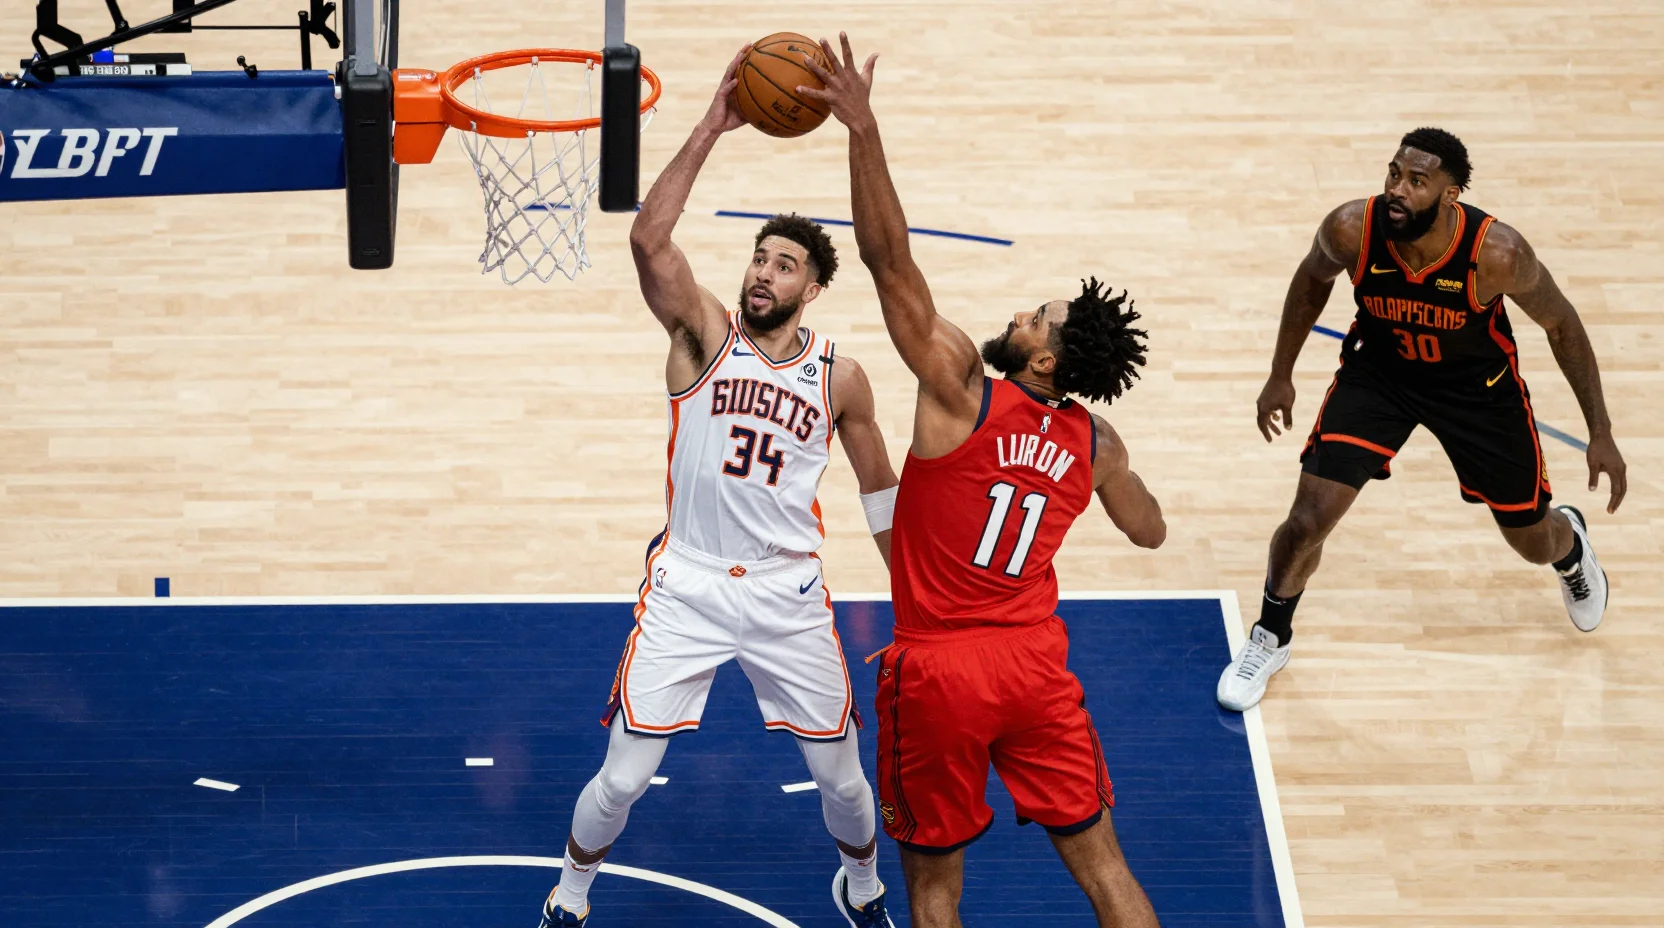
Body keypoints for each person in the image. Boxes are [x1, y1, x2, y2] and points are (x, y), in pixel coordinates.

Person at [799, 34, 1167, 928]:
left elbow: (890, 263)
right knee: (1107, 870)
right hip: (1036, 665)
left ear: (1043, 359)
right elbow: (1150, 531)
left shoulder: (960, 387)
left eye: (1034, 316)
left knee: (935, 891)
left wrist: (861, 129)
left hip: (941, 670)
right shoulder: (1096, 442)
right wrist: (1106, 475)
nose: (1018, 312)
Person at [537, 45, 900, 928]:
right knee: (622, 778)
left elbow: (881, 496)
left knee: (846, 783)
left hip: (787, 592)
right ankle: (568, 897)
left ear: (813, 286)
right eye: (759, 258)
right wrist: (711, 126)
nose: (763, 273)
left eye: (784, 265)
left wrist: (919, 594)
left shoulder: (842, 378)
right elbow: (647, 241)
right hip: (689, 584)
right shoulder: (704, 335)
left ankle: (860, 889)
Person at [1215, 127, 1628, 712]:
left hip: (1477, 394)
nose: (1397, 190)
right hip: (1380, 378)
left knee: (1533, 543)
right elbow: (1311, 280)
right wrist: (1280, 373)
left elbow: (1562, 324)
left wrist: (1600, 431)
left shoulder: (1497, 254)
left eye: (1416, 181)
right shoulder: (1352, 228)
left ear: (1450, 194)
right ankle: (1269, 637)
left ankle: (1570, 546)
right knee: (1307, 520)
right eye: (1394, 173)